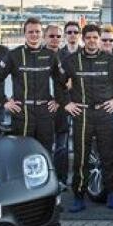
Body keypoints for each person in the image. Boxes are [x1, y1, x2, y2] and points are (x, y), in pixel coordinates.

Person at [55, 24, 113, 213]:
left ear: (99, 39)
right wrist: (66, 103)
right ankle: (79, 197)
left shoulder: (111, 60)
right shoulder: (72, 61)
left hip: (104, 113)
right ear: (83, 39)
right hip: (82, 115)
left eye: (95, 37)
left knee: (108, 156)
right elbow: (58, 83)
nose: (92, 40)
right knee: (81, 158)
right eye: (88, 37)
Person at [0, 17, 60, 151]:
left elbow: (61, 81)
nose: (34, 35)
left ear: (42, 34)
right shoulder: (14, 55)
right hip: (22, 113)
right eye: (30, 32)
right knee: (22, 152)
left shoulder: (51, 55)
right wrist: (4, 101)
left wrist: (58, 100)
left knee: (45, 151)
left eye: (37, 32)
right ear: (25, 34)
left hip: (44, 113)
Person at [45, 23, 70, 185]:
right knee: (44, 148)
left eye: (58, 36)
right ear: (44, 37)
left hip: (61, 108)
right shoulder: (36, 56)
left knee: (61, 148)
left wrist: (59, 101)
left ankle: (61, 180)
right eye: (51, 36)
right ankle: (46, 180)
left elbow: (71, 84)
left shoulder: (68, 58)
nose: (55, 39)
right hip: (42, 109)